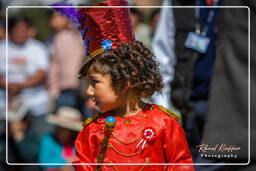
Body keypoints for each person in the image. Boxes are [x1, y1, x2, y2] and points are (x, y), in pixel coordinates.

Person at [52, 0, 194, 170]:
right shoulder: (93, 130)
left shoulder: (163, 123)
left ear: (124, 82)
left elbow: (181, 164)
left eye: (95, 82)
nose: (89, 90)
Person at [39, 107, 83, 171]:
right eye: (60, 128)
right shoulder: (48, 139)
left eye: (65, 129)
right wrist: (66, 160)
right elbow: (44, 163)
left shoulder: (78, 142)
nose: (61, 131)